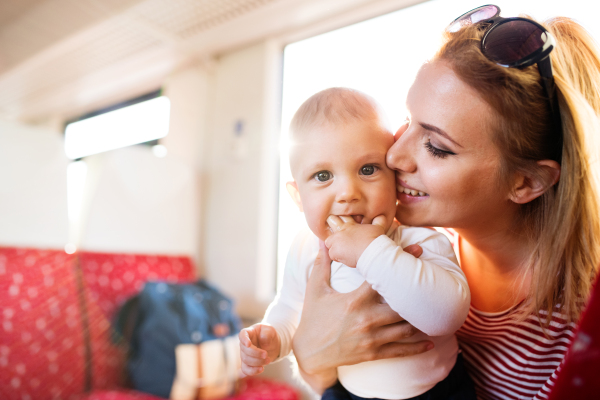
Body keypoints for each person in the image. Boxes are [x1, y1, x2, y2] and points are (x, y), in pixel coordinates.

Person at [290, 6, 600, 400]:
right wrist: (311, 358)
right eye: (407, 121)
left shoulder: (581, 323)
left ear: (526, 182)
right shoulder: (406, 251)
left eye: (437, 147)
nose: (393, 156)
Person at [239, 87, 475, 400]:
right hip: (348, 393)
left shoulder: (419, 239)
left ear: (395, 182)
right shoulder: (305, 249)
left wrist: (371, 251)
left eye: (367, 170)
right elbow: (291, 306)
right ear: (298, 197)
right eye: (323, 175)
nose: (348, 192)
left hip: (436, 391)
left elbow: (446, 316)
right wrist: (274, 336)